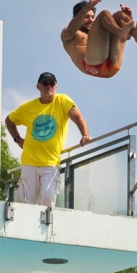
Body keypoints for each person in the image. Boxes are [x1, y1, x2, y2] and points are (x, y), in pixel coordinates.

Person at [5, 72, 90, 206]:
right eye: (45, 83)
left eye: (52, 83)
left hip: (51, 163)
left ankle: (47, 221)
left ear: (56, 86)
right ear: (38, 86)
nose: (49, 86)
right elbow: (9, 121)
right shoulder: (28, 107)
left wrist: (84, 134)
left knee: (48, 199)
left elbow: (77, 116)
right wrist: (17, 139)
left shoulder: (62, 101)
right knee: (26, 204)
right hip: (29, 162)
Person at [61, 0, 137, 79]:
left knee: (119, 15)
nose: (91, 20)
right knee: (104, 14)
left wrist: (128, 16)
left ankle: (135, 33)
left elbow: (127, 37)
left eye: (92, 17)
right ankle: (121, 32)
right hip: (91, 66)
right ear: (77, 17)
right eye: (86, 17)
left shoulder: (95, 33)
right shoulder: (69, 33)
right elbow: (70, 31)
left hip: (114, 64)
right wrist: (84, 9)